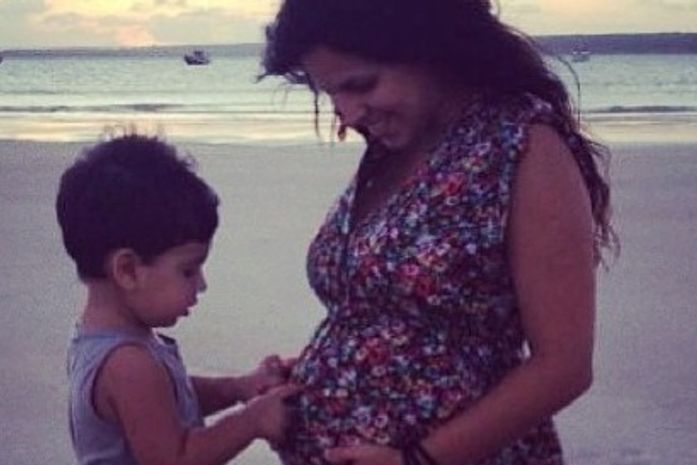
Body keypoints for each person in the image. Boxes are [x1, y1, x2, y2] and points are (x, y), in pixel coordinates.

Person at [260, 0, 616, 464]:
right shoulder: (396, 146)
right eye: (331, 95)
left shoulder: (522, 145)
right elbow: (388, 317)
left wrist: (419, 460)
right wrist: (314, 370)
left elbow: (564, 367)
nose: (346, 115)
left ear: (427, 47)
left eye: (360, 85)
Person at [56, 134, 298, 465]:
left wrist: (238, 388)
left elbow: (166, 402)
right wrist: (251, 421)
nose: (201, 284)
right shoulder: (129, 365)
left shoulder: (104, 340)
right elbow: (175, 458)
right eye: (188, 270)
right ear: (128, 270)